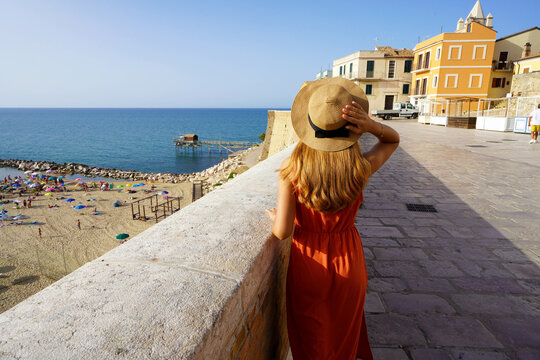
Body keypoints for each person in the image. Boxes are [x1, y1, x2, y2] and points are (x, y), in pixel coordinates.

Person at [267, 78, 399, 360]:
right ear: (351, 130)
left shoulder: (292, 170)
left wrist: (277, 215)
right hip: (350, 262)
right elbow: (392, 140)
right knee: (343, 342)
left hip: (308, 265)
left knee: (312, 344)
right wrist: (371, 125)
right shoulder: (359, 168)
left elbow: (282, 232)